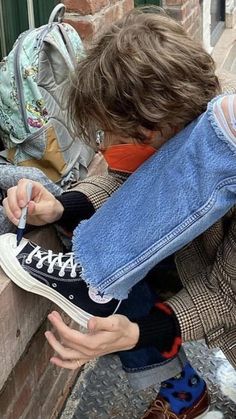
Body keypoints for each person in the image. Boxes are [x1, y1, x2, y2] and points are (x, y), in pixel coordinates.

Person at [1, 6, 235, 419]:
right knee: (93, 234)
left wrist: (139, 333)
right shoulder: (170, 133)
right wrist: (60, 206)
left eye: (114, 133)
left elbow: (225, 296)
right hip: (197, 263)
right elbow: (126, 182)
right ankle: (182, 389)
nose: (106, 147)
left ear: (157, 121)